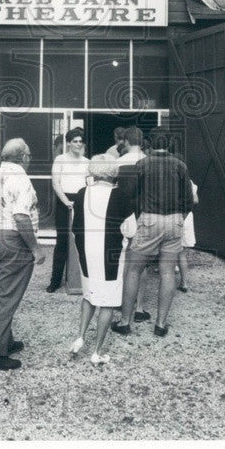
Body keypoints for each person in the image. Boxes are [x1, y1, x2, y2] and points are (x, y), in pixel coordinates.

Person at [112, 127, 193, 338]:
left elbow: (131, 196)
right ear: (169, 144)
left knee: (133, 270)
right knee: (167, 271)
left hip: (149, 219)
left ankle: (125, 321)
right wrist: (179, 218)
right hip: (174, 220)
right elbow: (188, 200)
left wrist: (141, 217)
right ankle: (160, 324)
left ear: (149, 144)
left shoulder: (142, 165)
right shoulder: (180, 166)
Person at [0, 138, 46, 371]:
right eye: (28, 155)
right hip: (12, 240)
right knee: (7, 297)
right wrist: (35, 248)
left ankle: (5, 340)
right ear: (24, 157)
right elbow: (21, 216)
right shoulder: (22, 179)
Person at [68, 156, 134, 364]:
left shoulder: (81, 193)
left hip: (86, 253)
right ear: (113, 172)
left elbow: (74, 226)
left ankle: (79, 338)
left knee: (89, 294)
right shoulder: (121, 195)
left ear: (93, 171)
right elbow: (131, 230)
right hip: (110, 255)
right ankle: (96, 352)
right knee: (108, 301)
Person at [114, 126, 150, 322]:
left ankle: (120, 300)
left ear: (126, 142)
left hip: (121, 214)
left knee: (122, 259)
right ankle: (139, 306)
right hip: (142, 214)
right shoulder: (148, 162)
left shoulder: (117, 162)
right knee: (141, 262)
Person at [47, 127, 89, 293]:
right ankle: (55, 280)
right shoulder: (60, 160)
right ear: (69, 144)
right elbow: (56, 184)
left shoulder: (87, 162)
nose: (78, 144)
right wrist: (67, 203)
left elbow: (89, 183)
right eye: (75, 141)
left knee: (82, 241)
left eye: (80, 141)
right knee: (62, 242)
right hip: (64, 204)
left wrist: (79, 203)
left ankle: (81, 281)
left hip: (81, 203)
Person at [178, 181, 199, 292]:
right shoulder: (189, 182)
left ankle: (169, 274)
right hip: (187, 215)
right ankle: (184, 282)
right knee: (181, 251)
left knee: (168, 249)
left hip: (175, 215)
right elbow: (195, 200)